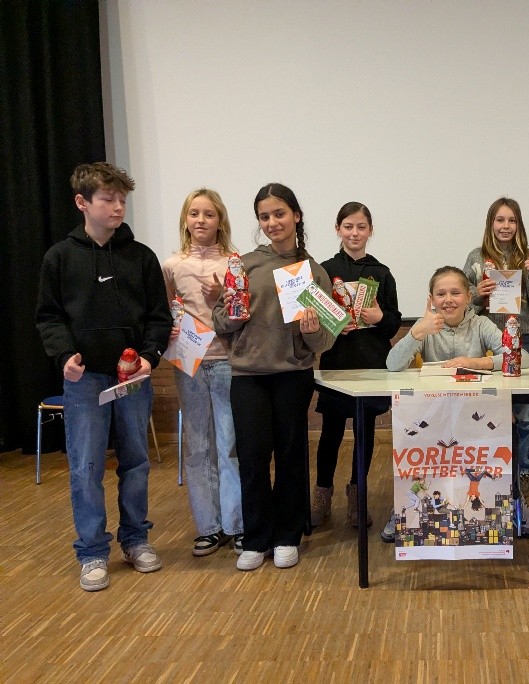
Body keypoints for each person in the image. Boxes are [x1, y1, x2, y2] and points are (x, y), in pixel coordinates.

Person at [36, 162, 172, 591]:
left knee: (136, 463)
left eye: (122, 200)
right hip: (85, 382)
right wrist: (64, 357)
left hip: (132, 380)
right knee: (85, 468)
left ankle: (136, 540)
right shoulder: (60, 257)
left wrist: (150, 356)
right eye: (108, 199)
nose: (117, 208)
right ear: (82, 202)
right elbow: (49, 317)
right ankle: (93, 552)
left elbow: (159, 316)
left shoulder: (141, 257)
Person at [213, 183, 335, 572]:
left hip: (292, 376)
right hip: (248, 375)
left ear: (296, 216)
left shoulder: (313, 272)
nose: (272, 222)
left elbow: (325, 340)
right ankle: (256, 539)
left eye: (279, 214)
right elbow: (221, 321)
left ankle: (287, 536)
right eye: (264, 217)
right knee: (251, 458)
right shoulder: (244, 265)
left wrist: (311, 329)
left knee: (290, 455)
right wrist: (233, 314)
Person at [384, 266, 529, 540]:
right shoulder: (426, 327)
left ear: (469, 297)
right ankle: (404, 508)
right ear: (431, 299)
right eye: (441, 294)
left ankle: (515, 500)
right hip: (434, 417)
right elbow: (392, 364)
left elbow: (522, 358)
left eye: (455, 293)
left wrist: (477, 362)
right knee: (410, 438)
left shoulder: (481, 324)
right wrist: (416, 333)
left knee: (509, 431)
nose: (448, 300)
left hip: (475, 415)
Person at [162, 188, 243, 557]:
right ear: (185, 219)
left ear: (220, 220)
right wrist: (168, 330)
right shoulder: (171, 265)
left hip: (227, 361)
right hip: (190, 365)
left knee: (229, 445)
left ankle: (236, 524)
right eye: (194, 213)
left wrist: (222, 298)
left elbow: (242, 313)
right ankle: (209, 527)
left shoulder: (234, 263)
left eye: (209, 214)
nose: (201, 220)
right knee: (198, 446)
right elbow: (165, 311)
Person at [311, 202, 402, 530]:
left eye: (361, 227)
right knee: (331, 433)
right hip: (337, 364)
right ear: (338, 229)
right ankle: (321, 497)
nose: (354, 233)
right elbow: (314, 320)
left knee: (364, 433)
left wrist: (378, 317)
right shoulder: (324, 270)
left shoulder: (381, 272)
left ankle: (357, 496)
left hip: (371, 365)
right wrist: (334, 325)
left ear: (370, 231)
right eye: (348, 226)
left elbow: (393, 323)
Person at [463, 198, 529, 494]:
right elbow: (463, 302)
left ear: (518, 224)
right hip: (486, 341)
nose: (506, 226)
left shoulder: (528, 256)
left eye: (512, 220)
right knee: (487, 409)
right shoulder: (476, 257)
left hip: (523, 338)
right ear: (491, 223)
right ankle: (491, 467)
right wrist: (478, 292)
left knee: (525, 413)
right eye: (500, 220)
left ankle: (524, 468)